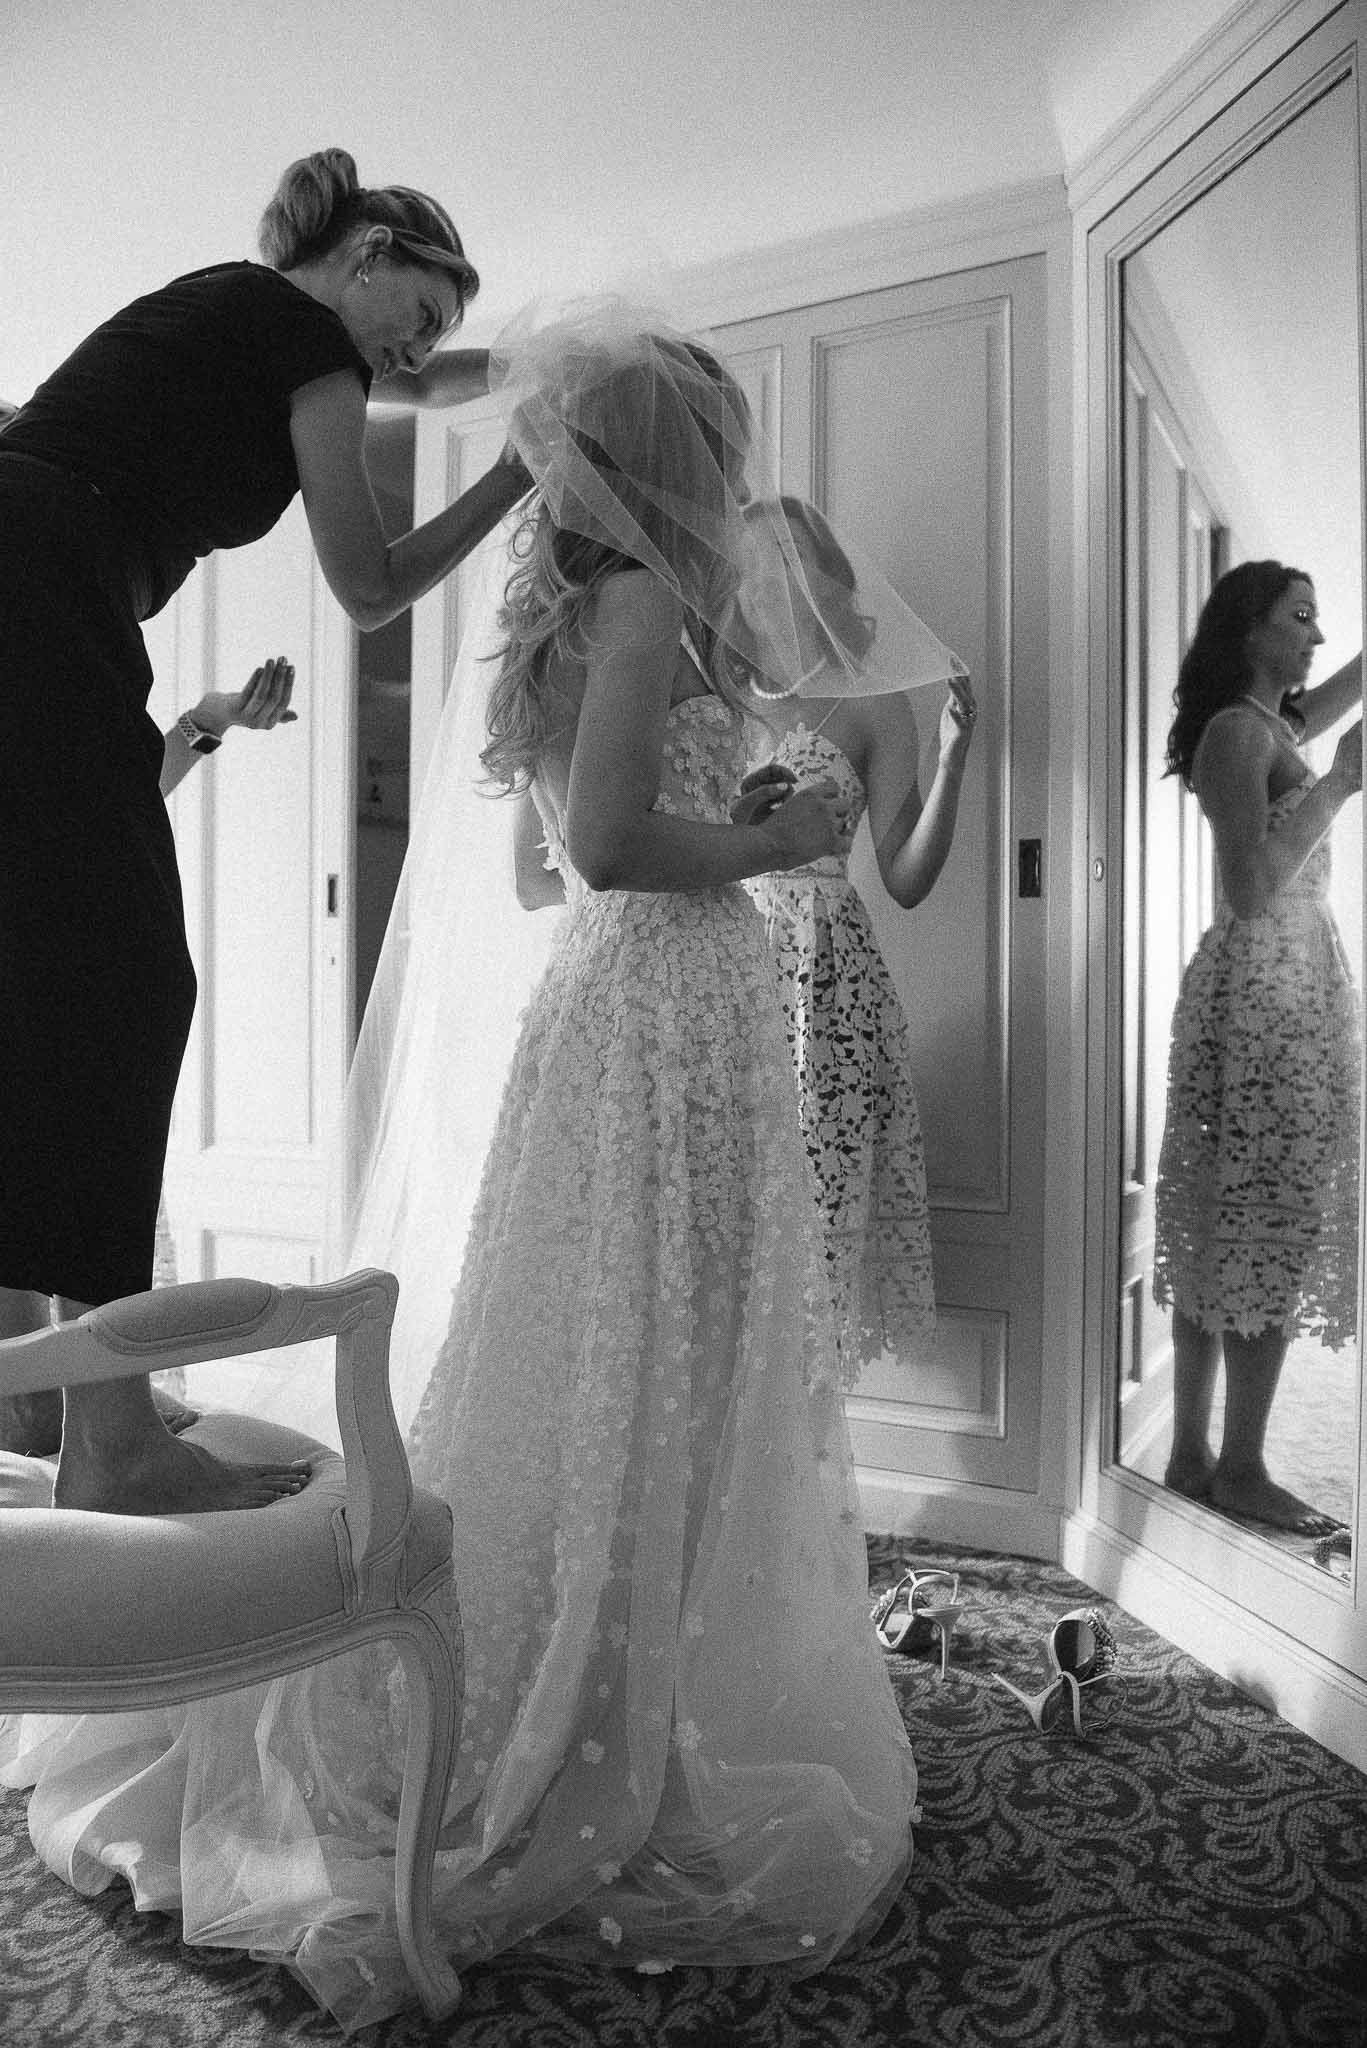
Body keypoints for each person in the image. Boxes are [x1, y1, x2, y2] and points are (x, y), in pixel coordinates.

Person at [1, 304, 959, 2029]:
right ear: (676, 457)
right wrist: (773, 833)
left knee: (622, 1353)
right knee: (658, 1349)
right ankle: (596, 1700)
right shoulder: (650, 597)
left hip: (631, 1013)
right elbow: (601, 846)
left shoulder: (589, 602)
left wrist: (716, 816)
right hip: (666, 1013)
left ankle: (607, 1665)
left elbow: (542, 875)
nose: (732, 471)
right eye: (715, 443)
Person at [0, 147, 529, 1515]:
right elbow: (367, 585)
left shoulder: (222, 313)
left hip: (41, 589)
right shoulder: (300, 334)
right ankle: (104, 1436)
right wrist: (516, 474)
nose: (408, 358)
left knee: (49, 981)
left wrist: (211, 713)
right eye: (415, 319)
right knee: (122, 986)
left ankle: (51, 1383)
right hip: (38, 587)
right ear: (366, 257)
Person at [0, 655, 298, 1457]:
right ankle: (34, 1412)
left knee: (50, 1185)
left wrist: (204, 723)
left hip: (62, 959)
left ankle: (47, 1407)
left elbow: (107, 806)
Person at [731, 497, 976, 1372]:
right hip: (725, 955)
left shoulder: (877, 711)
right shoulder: (709, 695)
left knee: (818, 1204)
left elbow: (906, 878)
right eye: (753, 559)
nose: (771, 576)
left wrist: (952, 759)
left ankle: (804, 1447)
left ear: (826, 576)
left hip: (828, 979)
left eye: (789, 557)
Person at [1152, 560, 1363, 1535]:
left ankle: (1191, 1452)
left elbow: (1326, 695)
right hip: (1267, 994)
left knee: (1211, 1218)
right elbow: (1247, 886)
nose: (1315, 636)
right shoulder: (1240, 733)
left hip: (1259, 990)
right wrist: (1342, 788)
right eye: (1301, 616)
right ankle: (1237, 1463)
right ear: (1250, 629)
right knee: (1265, 1221)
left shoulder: (1265, 725)